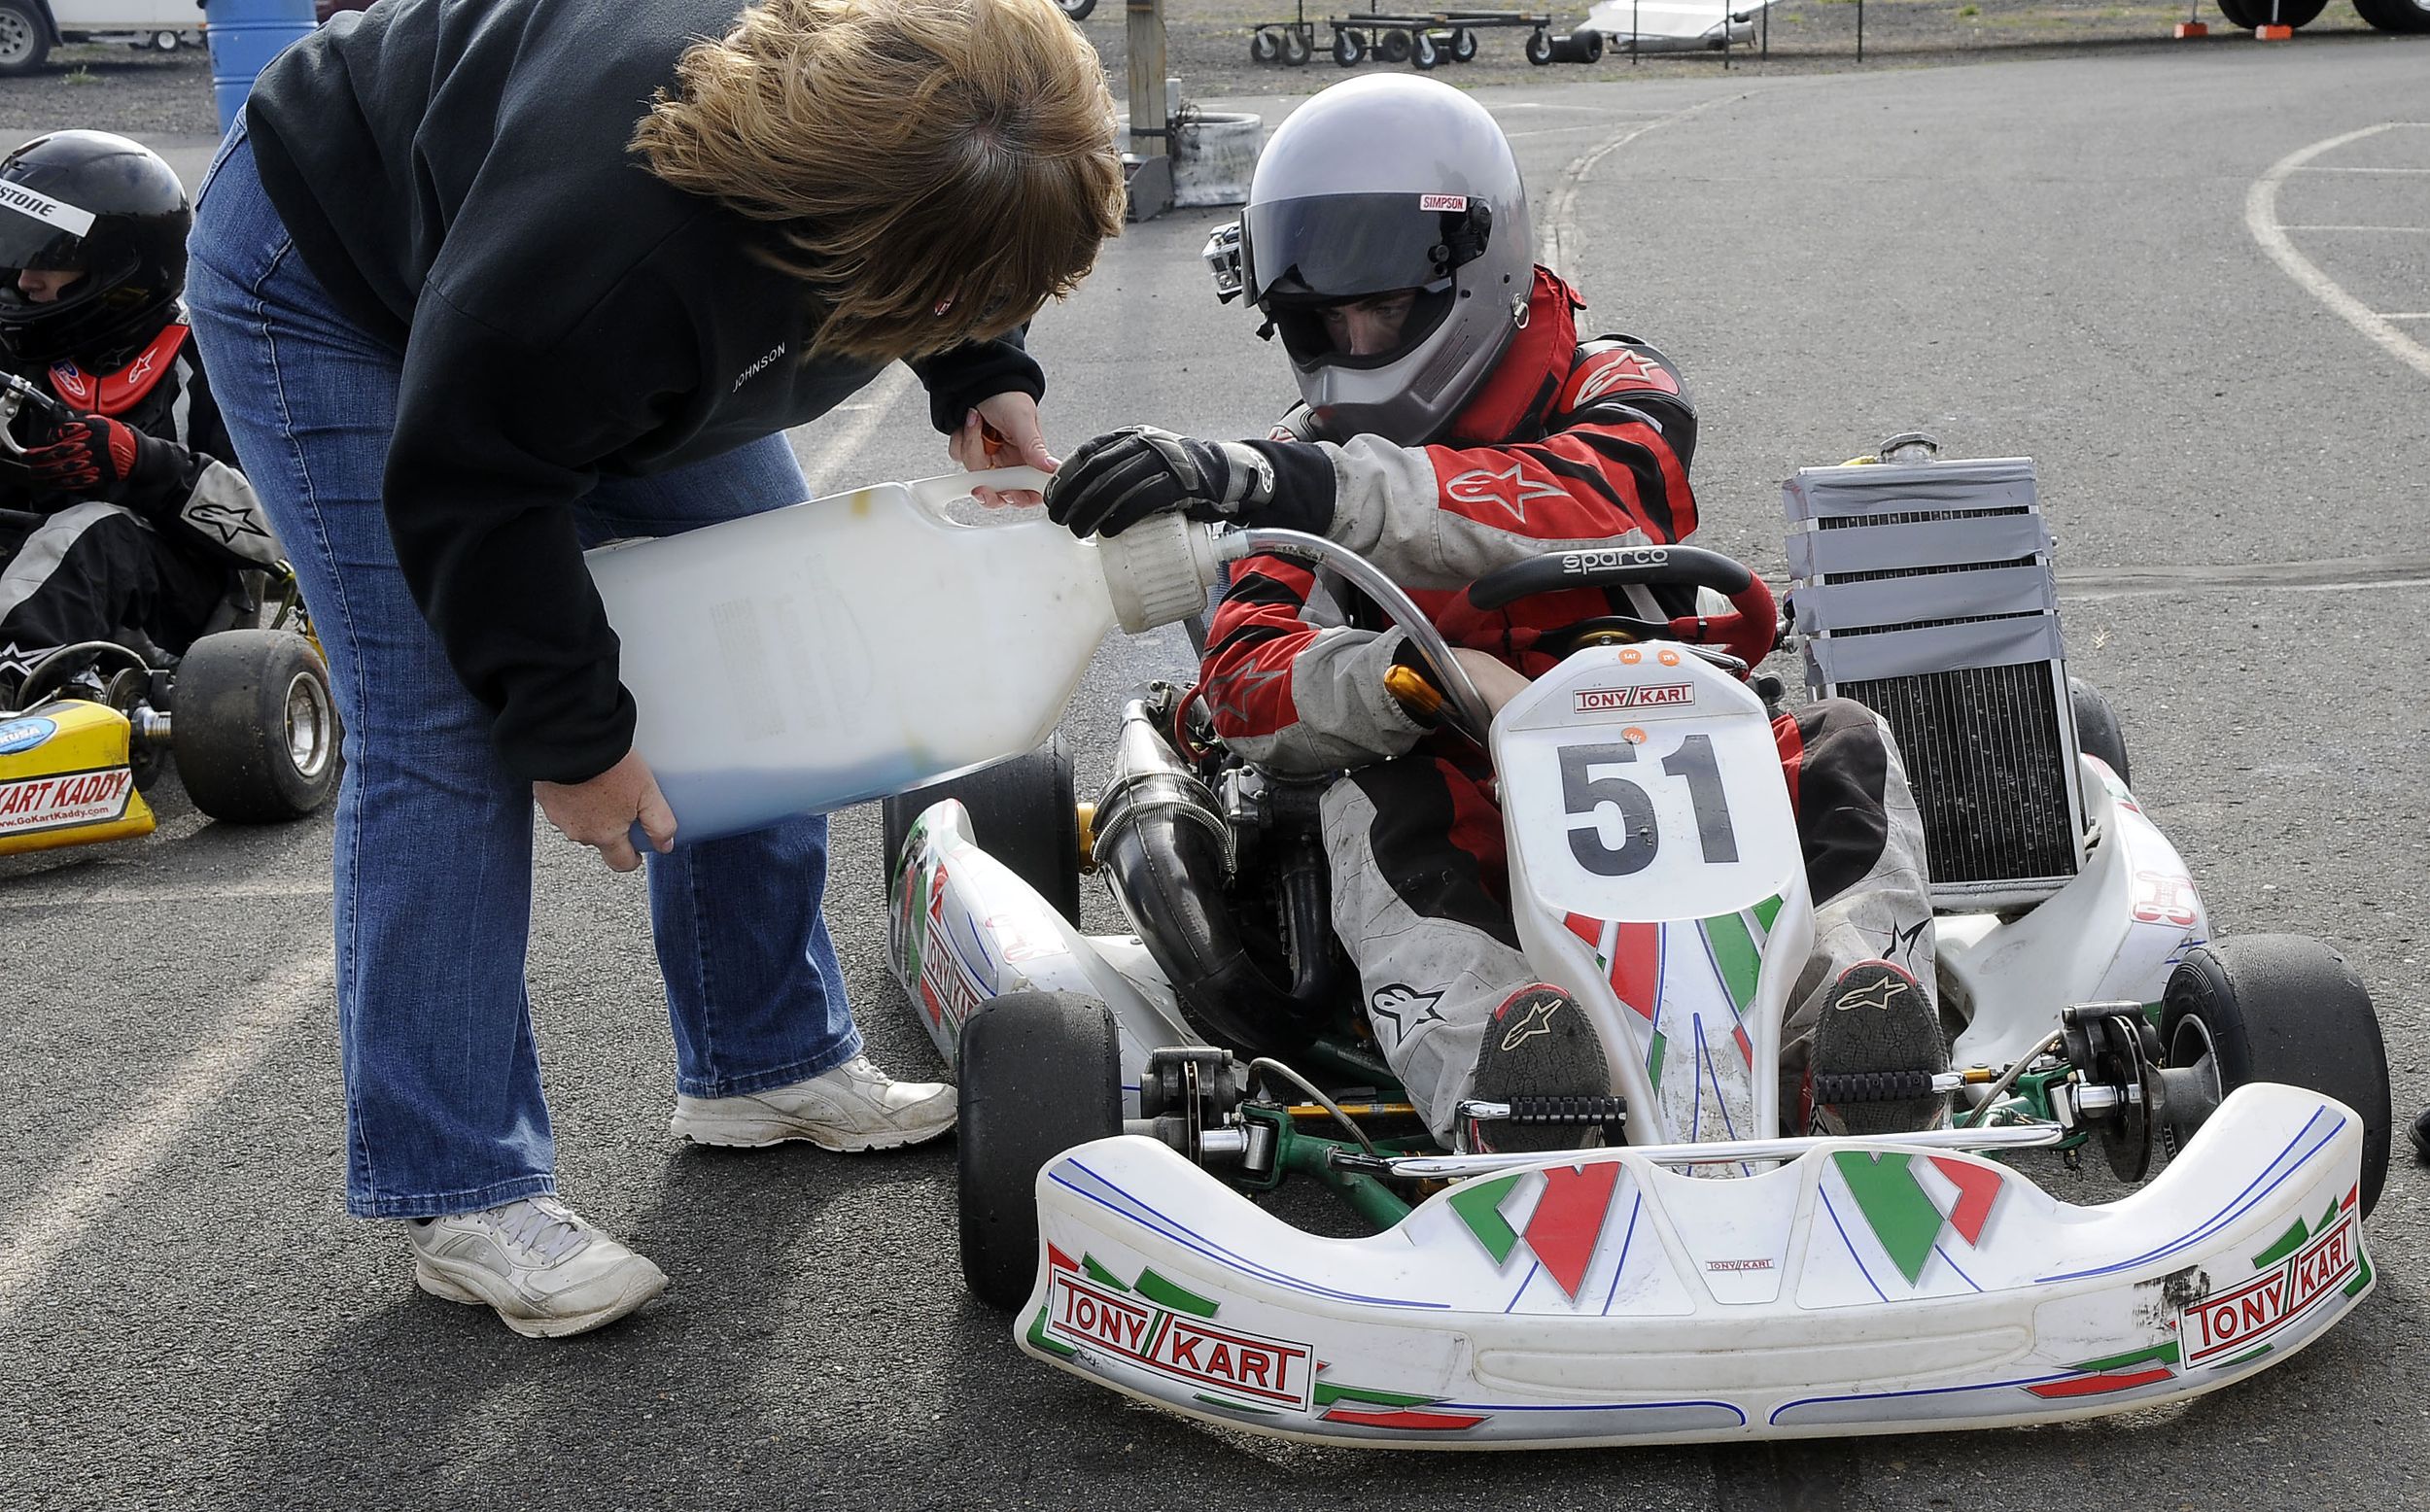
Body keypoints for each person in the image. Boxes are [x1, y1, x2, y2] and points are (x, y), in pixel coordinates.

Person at [182, 0, 1127, 1339]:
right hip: (328, 265)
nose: (957, 316)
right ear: (846, 235)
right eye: (952, 303)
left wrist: (981, 365)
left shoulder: (917, 110)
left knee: (780, 630)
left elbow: (966, 199)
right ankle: (463, 1189)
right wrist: (572, 738)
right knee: (444, 725)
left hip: (543, 271)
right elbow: (476, 491)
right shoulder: (612, 270)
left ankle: (766, 1060)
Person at [1044, 76, 1942, 1154]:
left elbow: (1604, 498)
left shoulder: (1610, 384)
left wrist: (1313, 487)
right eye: (1325, 316)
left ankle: (1854, 1037)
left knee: (1846, 743)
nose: (1358, 333)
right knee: (1379, 803)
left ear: (1480, 265)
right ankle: (1508, 1085)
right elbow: (1240, 677)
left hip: (1680, 744)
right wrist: (1422, 676)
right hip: (1460, 775)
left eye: (1385, 303)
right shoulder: (1286, 470)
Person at [0, 130, 279, 707]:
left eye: (50, 259)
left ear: (119, 267)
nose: (25, 279)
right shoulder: (18, 345)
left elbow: (276, 533)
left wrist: (143, 462)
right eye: (16, 252)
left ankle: (17, 686)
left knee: (93, 527)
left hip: (182, 605)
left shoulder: (219, 356)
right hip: (36, 570)